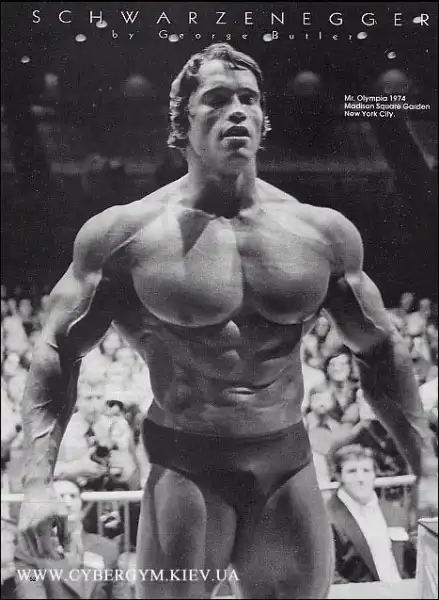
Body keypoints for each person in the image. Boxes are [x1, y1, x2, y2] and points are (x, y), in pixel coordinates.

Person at [17, 43, 437, 600]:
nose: (236, 110)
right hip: (186, 464)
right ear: (181, 122)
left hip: (286, 461)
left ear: (264, 118)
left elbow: (380, 351)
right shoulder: (125, 236)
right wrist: (36, 485)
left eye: (249, 99)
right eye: (216, 99)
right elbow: (56, 351)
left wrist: (427, 469)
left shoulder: (324, 234)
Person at [15, 478, 120, 599]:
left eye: (73, 496)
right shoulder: (29, 551)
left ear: (82, 506)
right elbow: (31, 588)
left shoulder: (107, 548)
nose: (68, 503)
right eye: (60, 496)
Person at [327, 444, 414, 583]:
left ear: (374, 474)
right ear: (338, 476)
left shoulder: (395, 512)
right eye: (352, 471)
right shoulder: (329, 517)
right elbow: (328, 575)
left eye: (366, 471)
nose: (360, 479)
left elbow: (413, 560)